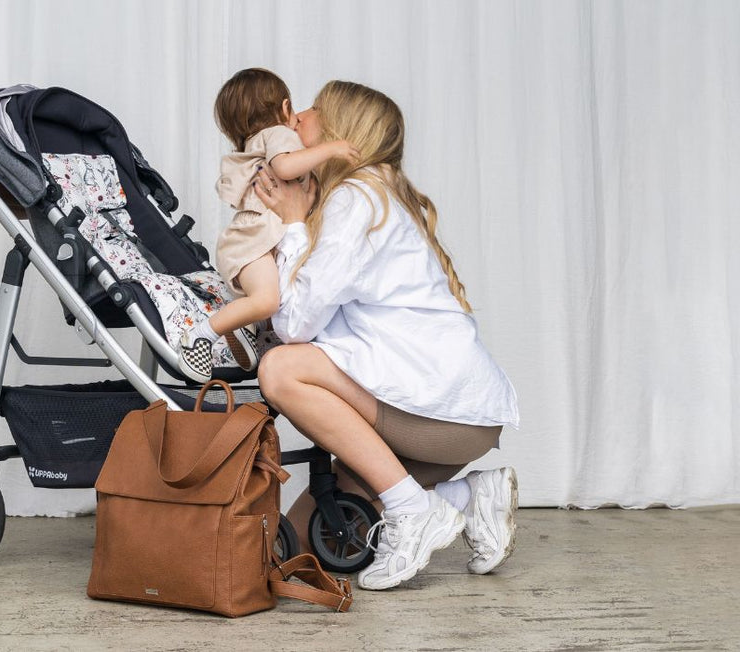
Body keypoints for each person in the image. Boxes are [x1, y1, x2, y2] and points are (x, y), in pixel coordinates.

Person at [253, 80, 520, 591]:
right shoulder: (373, 192)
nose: (297, 118)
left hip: (438, 419)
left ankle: (413, 511)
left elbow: (295, 327)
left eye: (310, 111)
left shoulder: (356, 200)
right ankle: (469, 497)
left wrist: (290, 224)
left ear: (338, 131)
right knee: (312, 537)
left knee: (281, 369)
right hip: (453, 417)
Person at [175, 68, 359, 382]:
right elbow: (286, 166)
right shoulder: (278, 135)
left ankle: (247, 330)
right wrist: (333, 148)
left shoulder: (258, 141)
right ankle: (200, 336)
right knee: (268, 300)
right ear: (285, 108)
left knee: (271, 300)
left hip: (253, 241)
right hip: (252, 243)